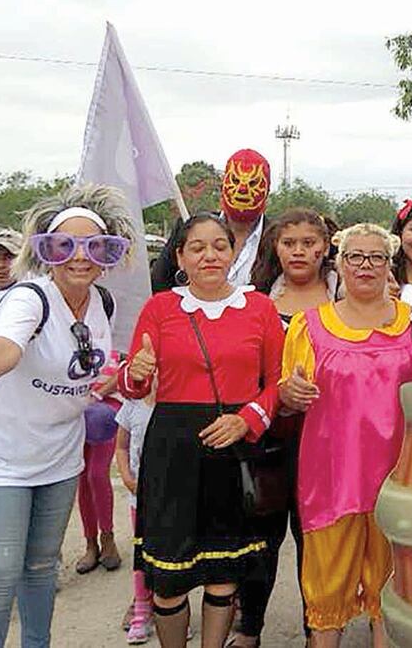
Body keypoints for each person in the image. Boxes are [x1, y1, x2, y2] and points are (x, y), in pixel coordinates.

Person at [0, 185, 138, 647]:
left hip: (58, 455)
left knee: (41, 566)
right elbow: (5, 347)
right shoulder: (31, 298)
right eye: (64, 245)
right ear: (46, 250)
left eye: (94, 246)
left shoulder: (101, 303)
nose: (79, 257)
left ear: (107, 253)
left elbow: (90, 372)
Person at [120, 212, 284, 648]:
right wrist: (136, 372)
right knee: (169, 579)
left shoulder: (260, 308)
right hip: (172, 451)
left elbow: (276, 384)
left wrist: (246, 420)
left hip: (232, 450)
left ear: (233, 253)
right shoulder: (160, 308)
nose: (209, 255)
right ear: (180, 256)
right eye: (197, 247)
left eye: (219, 245)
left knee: (223, 572)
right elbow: (133, 385)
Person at [279, 223, 412, 648]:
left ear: (389, 264)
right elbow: (287, 399)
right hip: (332, 484)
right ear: (339, 264)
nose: (365, 266)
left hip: (399, 481)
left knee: (392, 598)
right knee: (327, 602)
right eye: (355, 257)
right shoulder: (309, 326)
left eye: (376, 257)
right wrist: (288, 393)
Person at [231, 207, 338, 647]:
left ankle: (320, 627)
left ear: (325, 246)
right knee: (262, 538)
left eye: (309, 243)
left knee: (318, 540)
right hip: (271, 441)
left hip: (329, 439)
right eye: (289, 243)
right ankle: (249, 626)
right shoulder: (255, 300)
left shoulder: (347, 295)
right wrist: (277, 393)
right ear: (275, 247)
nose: (299, 251)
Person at [151, 149, 271, 291]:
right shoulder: (190, 228)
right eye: (235, 181)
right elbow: (159, 284)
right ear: (224, 185)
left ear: (267, 190)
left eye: (253, 183)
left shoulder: (278, 239)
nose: (243, 189)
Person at [115, 393, 158, 645]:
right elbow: (121, 446)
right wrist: (126, 477)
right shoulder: (132, 403)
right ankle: (142, 609)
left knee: (169, 554)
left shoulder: (175, 400)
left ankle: (169, 608)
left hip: (169, 499)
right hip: (139, 499)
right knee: (141, 555)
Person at [75, 356, 123, 575]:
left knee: (97, 473)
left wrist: (98, 393)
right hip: (78, 408)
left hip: (106, 408)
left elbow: (126, 365)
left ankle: (108, 537)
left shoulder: (116, 330)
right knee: (82, 475)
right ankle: (90, 542)